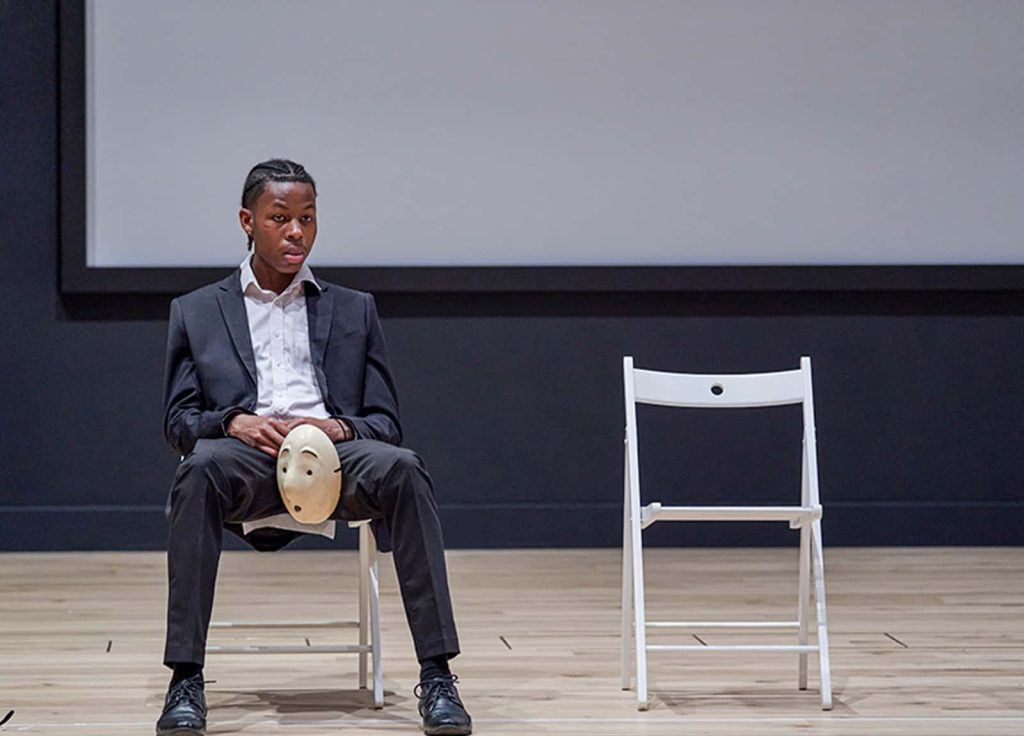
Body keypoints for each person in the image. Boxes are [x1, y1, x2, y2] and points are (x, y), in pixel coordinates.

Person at [156, 158, 472, 736]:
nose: (296, 232)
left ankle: (438, 675)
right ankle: (186, 678)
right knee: (197, 470)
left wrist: (341, 430)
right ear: (248, 221)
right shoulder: (198, 310)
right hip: (246, 456)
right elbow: (178, 422)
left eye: (307, 217)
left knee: (404, 469)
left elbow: (385, 421)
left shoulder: (354, 308)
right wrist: (234, 422)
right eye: (280, 218)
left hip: (334, 454)